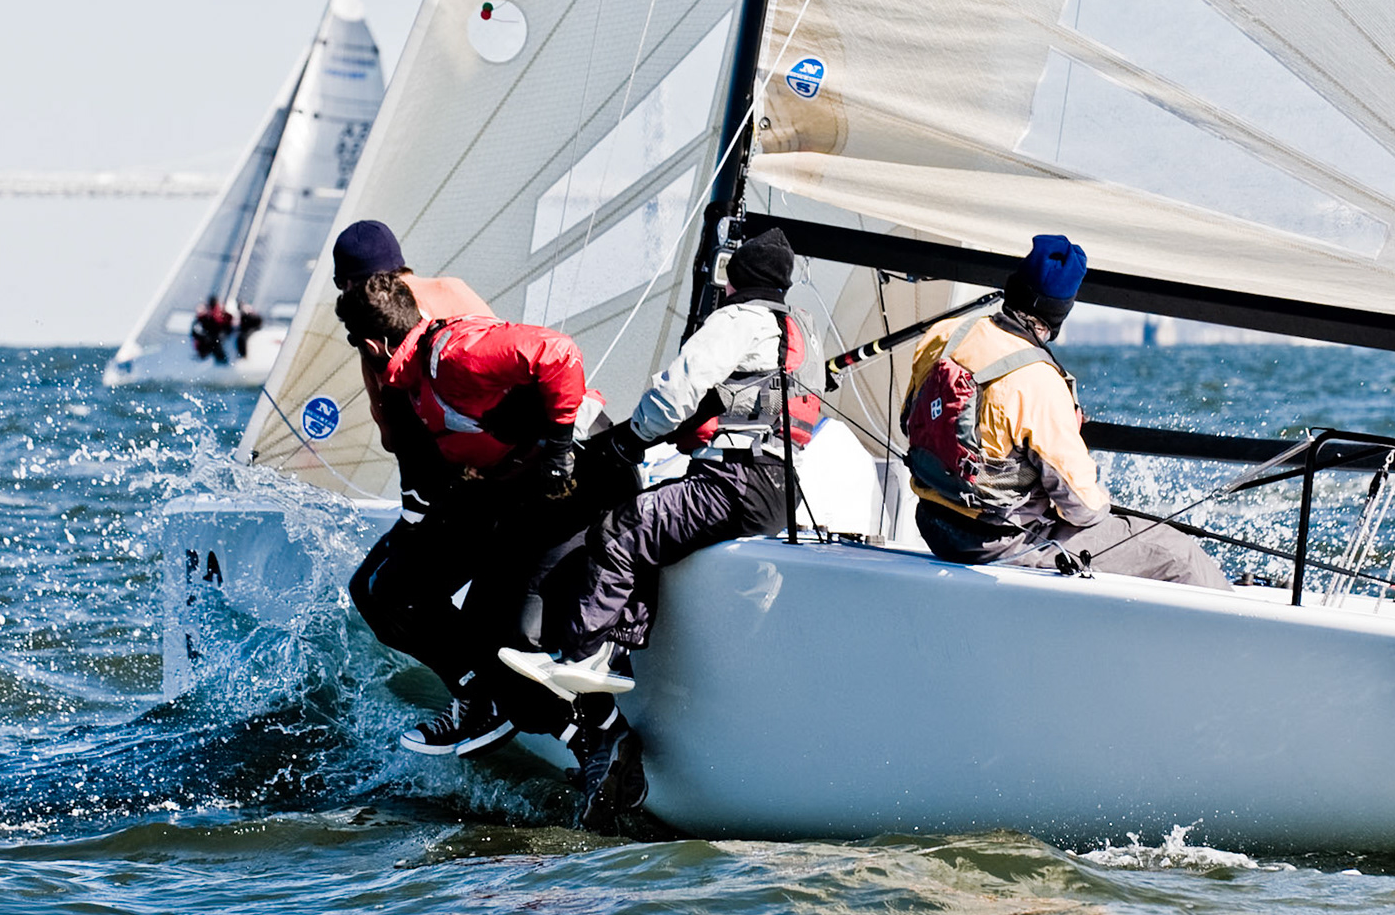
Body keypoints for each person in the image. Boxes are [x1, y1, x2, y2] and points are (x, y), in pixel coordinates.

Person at [330, 222, 643, 821]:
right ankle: (573, 737)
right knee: (437, 613)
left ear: (355, 288)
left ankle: (523, 709)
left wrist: (553, 450)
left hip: (565, 485)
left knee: (390, 593)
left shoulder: (430, 350)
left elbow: (547, 360)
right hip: (509, 488)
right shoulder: (449, 298)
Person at [496, 228, 824, 764]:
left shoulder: (738, 319)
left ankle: (580, 657)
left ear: (735, 278)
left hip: (736, 480)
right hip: (780, 487)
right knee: (654, 531)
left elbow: (678, 390)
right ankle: (615, 656)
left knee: (621, 528)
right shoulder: (800, 331)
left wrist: (630, 439)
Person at [900, 233, 1228, 587]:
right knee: (1176, 553)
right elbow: (1083, 509)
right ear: (1060, 313)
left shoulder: (944, 335)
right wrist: (1102, 500)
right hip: (996, 544)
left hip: (933, 522)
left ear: (1014, 288)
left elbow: (910, 422)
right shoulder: (1038, 381)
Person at [191, 296, 233, 363]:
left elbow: (221, 321)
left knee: (216, 342)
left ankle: (221, 359)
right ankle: (218, 358)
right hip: (214, 332)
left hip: (218, 331)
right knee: (212, 342)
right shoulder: (212, 312)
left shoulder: (216, 311)